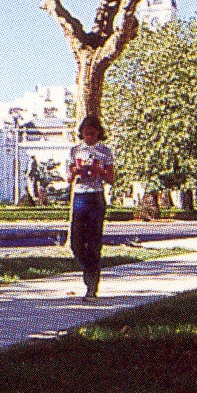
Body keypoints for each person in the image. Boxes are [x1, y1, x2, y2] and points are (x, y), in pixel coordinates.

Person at [67, 114, 116, 298]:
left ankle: (91, 285)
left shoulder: (105, 151)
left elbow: (111, 179)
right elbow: (69, 177)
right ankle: (89, 269)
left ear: (98, 134)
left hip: (96, 197)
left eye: (93, 134)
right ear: (82, 133)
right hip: (80, 197)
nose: (89, 137)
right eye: (86, 134)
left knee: (94, 243)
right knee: (76, 243)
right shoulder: (75, 150)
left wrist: (99, 171)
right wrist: (77, 170)